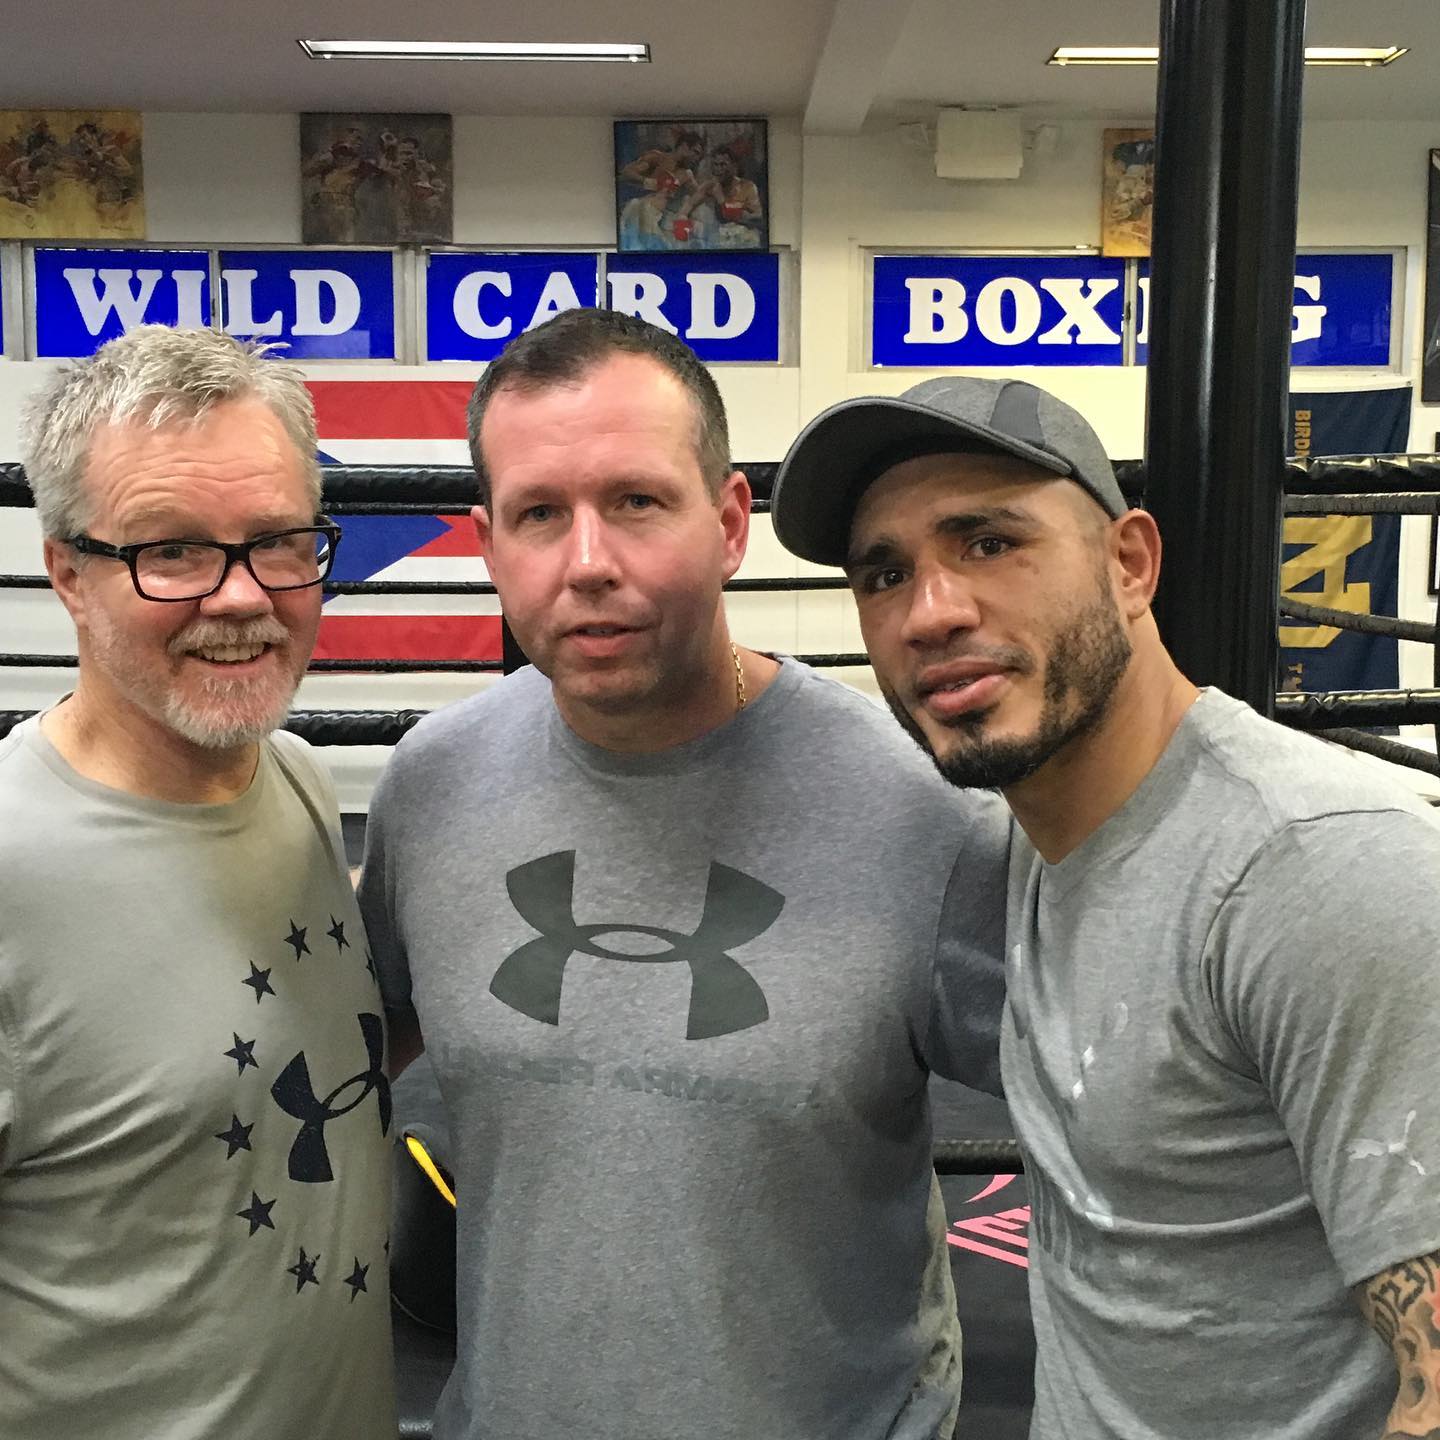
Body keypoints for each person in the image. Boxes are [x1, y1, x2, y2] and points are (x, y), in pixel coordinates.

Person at [358, 308, 1012, 1440]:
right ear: (486, 542)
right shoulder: (434, 785)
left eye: (636, 502)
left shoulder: (919, 810)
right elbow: (348, 1055)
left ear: (727, 521)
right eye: (539, 515)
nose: (589, 562)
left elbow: (1138, 1127)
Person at [770, 374, 1440, 1440]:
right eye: (886, 573)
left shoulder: (1315, 867)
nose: (932, 612)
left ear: (1129, 564)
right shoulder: (1040, 833)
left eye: (989, 542)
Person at [2, 325, 396, 1439]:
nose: (241, 597)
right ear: (70, 578)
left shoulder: (302, 786)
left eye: (276, 541)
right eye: (171, 549)